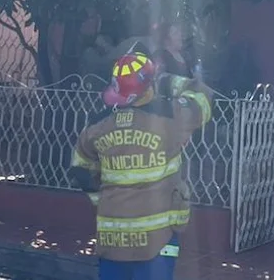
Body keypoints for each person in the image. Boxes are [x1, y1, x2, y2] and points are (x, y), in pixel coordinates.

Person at [71, 52, 214, 280]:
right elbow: (203, 97)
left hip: (113, 240)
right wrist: (165, 79)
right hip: (158, 240)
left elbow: (79, 168)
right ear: (149, 87)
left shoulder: (98, 124)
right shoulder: (171, 117)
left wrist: (102, 199)